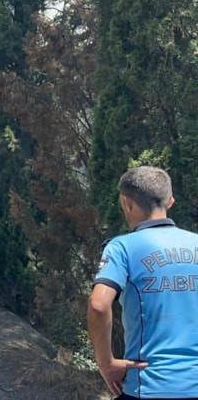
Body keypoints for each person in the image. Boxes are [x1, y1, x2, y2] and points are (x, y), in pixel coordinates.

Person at [87, 166, 198, 399]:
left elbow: (98, 305)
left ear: (126, 203)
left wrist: (106, 363)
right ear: (170, 202)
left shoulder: (121, 248)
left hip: (148, 385)